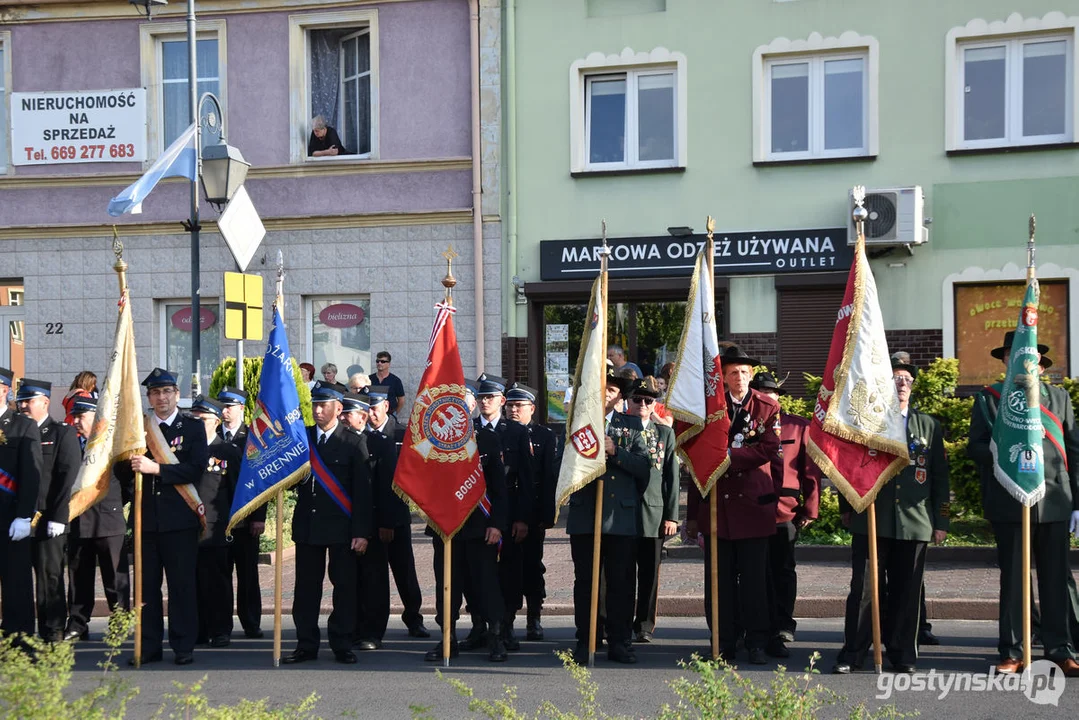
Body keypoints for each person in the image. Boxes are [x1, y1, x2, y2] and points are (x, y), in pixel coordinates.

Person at [969, 331, 1079, 677]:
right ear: (1005, 360)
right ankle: (1014, 651)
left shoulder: (1059, 399)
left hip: (1054, 501)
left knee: (1057, 579)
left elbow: (1073, 450)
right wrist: (1004, 454)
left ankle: (1061, 649)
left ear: (1041, 366)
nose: (1023, 362)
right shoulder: (990, 399)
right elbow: (975, 447)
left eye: (1031, 358)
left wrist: (1077, 502)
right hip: (1010, 500)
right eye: (1014, 356)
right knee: (1015, 580)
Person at [833, 354, 949, 674]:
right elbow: (848, 467)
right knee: (865, 589)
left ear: (913, 387)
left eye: (907, 380)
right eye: (895, 378)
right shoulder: (867, 422)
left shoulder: (929, 426)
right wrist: (848, 507)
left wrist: (942, 520)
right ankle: (854, 652)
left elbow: (940, 477)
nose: (901, 384)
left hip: (915, 522)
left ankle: (902, 654)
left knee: (907, 591)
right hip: (872, 516)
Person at [686, 344, 783, 665]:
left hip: (753, 507)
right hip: (717, 508)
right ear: (724, 378)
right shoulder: (710, 408)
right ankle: (722, 642)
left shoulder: (767, 407)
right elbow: (696, 458)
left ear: (751, 375)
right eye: (732, 373)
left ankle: (756, 641)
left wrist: (730, 457)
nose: (739, 378)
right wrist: (693, 516)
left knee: (755, 581)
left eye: (744, 372)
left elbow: (770, 449)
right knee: (720, 582)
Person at [115, 368, 207, 665]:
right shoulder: (138, 429)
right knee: (145, 588)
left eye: (167, 392)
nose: (161, 398)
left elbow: (196, 469)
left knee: (181, 585)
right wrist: (129, 460)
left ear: (176, 395)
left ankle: (183, 646)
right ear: (149, 397)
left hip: (179, 520)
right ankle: (148, 645)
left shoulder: (191, 427)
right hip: (146, 521)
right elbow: (121, 474)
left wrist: (157, 469)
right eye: (155, 393)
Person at [282, 381, 372, 665]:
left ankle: (342, 642)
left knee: (343, 587)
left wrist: (361, 531)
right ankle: (306, 644)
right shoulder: (302, 438)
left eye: (323, 405)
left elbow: (363, 492)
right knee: (306, 590)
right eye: (315, 405)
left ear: (338, 408)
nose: (318, 410)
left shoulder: (353, 441)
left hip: (341, 528)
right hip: (308, 526)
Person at [567, 368, 650, 664]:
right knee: (586, 583)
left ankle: (620, 641)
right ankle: (585, 639)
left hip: (619, 517)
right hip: (585, 516)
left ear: (619, 397)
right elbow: (561, 468)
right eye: (601, 388)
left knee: (622, 583)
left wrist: (616, 453)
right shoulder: (574, 423)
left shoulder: (632, 425)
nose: (606, 394)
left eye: (612, 390)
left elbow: (644, 470)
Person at [424, 403, 508, 663]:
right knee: (446, 586)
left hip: (479, 527)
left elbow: (499, 488)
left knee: (486, 585)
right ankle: (448, 637)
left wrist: (496, 524)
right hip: (445, 527)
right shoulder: (434, 441)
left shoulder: (486, 439)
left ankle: (495, 636)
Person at [749, 370, 822, 657]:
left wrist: (810, 508)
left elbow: (809, 470)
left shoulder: (798, 426)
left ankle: (782, 624)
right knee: (756, 571)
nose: (768, 397)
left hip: (785, 510)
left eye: (772, 393)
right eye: (762, 393)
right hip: (753, 509)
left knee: (783, 570)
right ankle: (757, 626)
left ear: (779, 397)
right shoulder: (747, 425)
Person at [473, 374, 534, 652]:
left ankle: (505, 626)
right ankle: (478, 627)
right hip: (473, 513)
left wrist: (522, 518)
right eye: (481, 397)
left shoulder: (517, 432)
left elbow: (525, 479)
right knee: (475, 576)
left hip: (506, 514)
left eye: (490, 397)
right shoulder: (467, 430)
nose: (484, 402)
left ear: (502, 400)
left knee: (507, 574)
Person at [16, 379, 80, 643]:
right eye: (21, 401)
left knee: (49, 576)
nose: (23, 407)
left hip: (47, 517)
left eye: (28, 401)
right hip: (18, 517)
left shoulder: (60, 432)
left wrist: (58, 516)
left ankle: (52, 631)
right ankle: (21, 633)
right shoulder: (16, 432)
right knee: (18, 577)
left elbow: (67, 477)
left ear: (44, 402)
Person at [64, 396, 130, 643]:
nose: (77, 421)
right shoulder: (70, 442)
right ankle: (78, 623)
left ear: (96, 418)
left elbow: (127, 482)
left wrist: (114, 506)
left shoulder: (112, 447)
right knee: (79, 577)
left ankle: (120, 623)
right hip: (79, 519)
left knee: (115, 577)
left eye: (82, 417)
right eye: (75, 416)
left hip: (108, 520)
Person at [366, 387, 428, 640]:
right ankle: (374, 626)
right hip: (370, 518)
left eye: (374, 407)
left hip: (397, 517)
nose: (370, 413)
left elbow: (413, 474)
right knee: (375, 576)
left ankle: (414, 618)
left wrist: (390, 520)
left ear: (386, 407)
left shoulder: (403, 435)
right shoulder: (360, 436)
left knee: (405, 573)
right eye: (367, 407)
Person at [625, 377, 679, 645]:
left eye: (649, 400)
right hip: (621, 513)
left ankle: (644, 625)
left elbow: (671, 476)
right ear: (628, 401)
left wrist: (672, 515)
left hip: (653, 514)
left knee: (649, 574)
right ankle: (621, 622)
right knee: (621, 574)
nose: (643, 405)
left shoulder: (664, 433)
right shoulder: (615, 428)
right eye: (637, 399)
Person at [505, 382, 559, 641]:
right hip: (505, 512)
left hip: (533, 512)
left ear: (532, 409)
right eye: (510, 405)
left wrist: (546, 517)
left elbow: (549, 478)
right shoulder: (502, 432)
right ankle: (507, 621)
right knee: (507, 569)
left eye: (519, 406)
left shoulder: (544, 436)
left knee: (532, 568)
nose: (513, 410)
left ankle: (534, 617)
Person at [215, 386, 264, 639]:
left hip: (246, 519)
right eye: (222, 406)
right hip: (219, 520)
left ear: (242, 409)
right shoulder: (213, 436)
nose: (224, 411)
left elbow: (261, 480)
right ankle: (222, 627)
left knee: (248, 575)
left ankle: (251, 622)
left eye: (230, 407)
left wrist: (258, 517)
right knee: (221, 577)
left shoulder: (251, 438)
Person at [0, 368, 43, 642]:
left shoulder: (21, 425)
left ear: (4, 390)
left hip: (9, 517)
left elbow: (32, 473)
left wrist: (24, 516)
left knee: (16, 584)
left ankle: (20, 643)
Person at [189, 396, 235, 648]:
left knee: (217, 581)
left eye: (203, 419)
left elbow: (236, 489)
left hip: (216, 526)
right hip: (188, 525)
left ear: (216, 421)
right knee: (192, 580)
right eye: (194, 418)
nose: (197, 422)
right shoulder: (183, 450)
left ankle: (220, 629)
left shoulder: (227, 451)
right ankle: (198, 628)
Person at [369, 351, 406, 418]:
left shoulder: (395, 380)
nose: (379, 363)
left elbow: (401, 400)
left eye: (383, 361)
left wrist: (394, 414)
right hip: (372, 416)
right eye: (377, 361)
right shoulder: (369, 379)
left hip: (389, 416)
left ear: (389, 364)